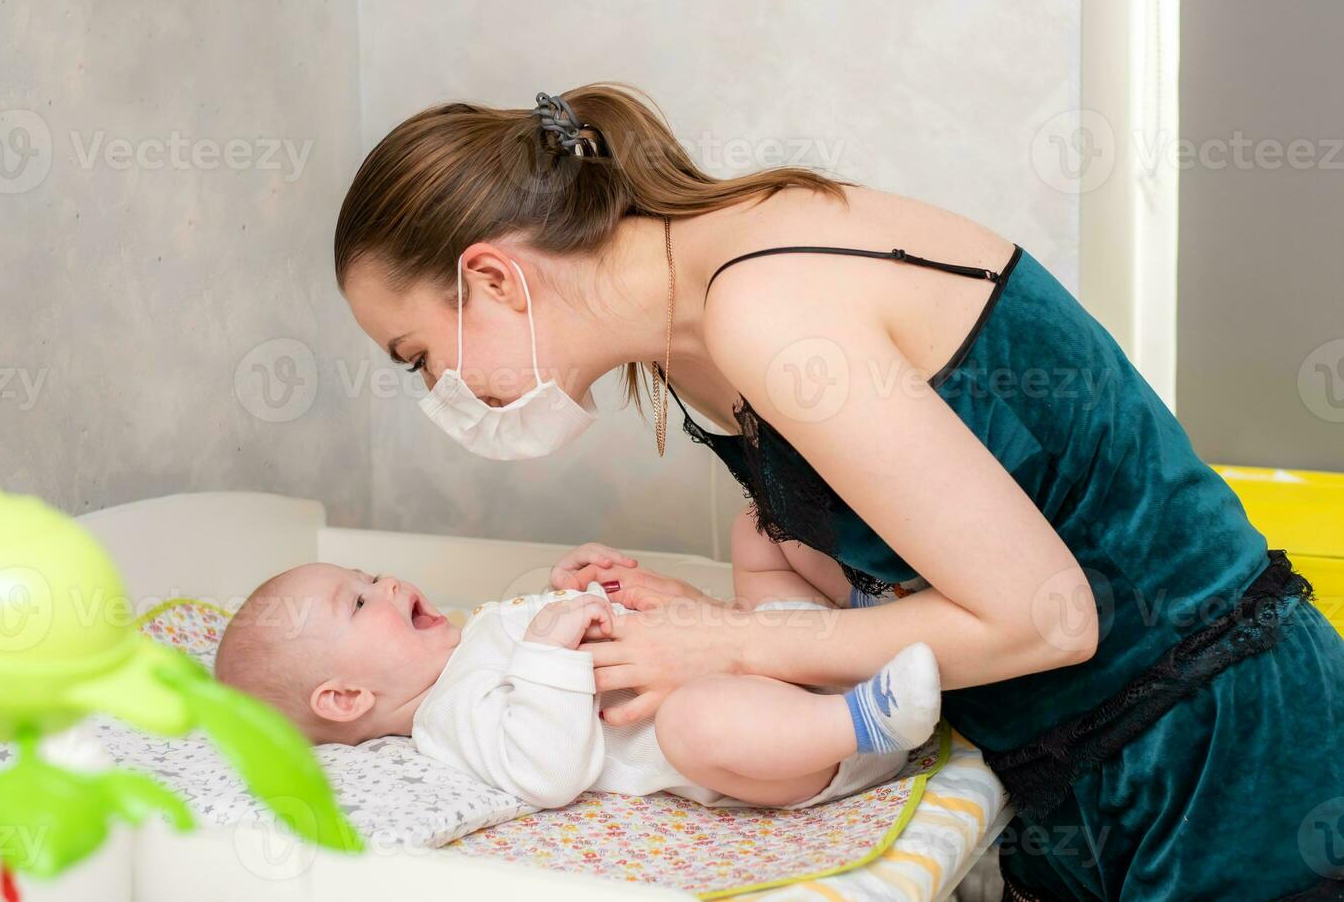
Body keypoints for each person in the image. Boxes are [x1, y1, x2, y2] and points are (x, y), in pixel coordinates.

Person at [331, 83, 1344, 899]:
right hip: (1073, 760)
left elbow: (1047, 618)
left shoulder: (764, 308)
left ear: (496, 279)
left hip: (1218, 755)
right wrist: (720, 621)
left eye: (421, 355)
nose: (444, 395)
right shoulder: (694, 334)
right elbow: (901, 571)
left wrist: (733, 642)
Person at [213, 557, 938, 810]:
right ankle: (869, 723)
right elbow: (547, 771)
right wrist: (551, 653)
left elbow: (557, 622)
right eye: (362, 600)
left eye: (368, 574)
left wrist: (585, 583)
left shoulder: (471, 635)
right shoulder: (445, 718)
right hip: (780, 745)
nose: (388, 581)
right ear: (347, 699)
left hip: (771, 654)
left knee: (759, 531)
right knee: (694, 725)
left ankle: (867, 617)